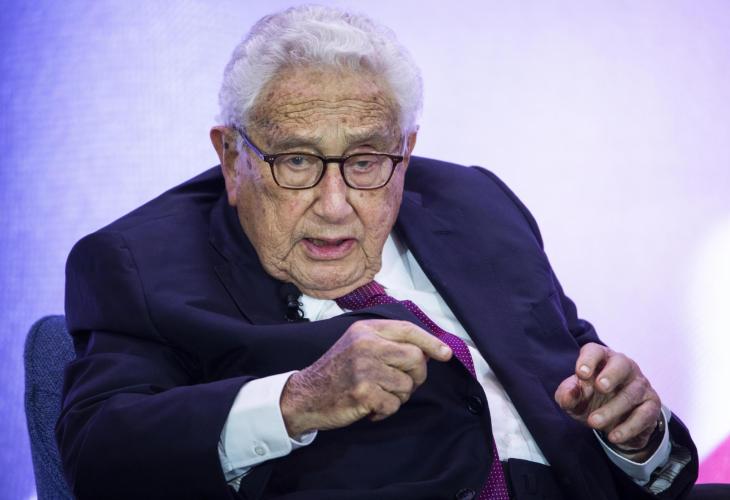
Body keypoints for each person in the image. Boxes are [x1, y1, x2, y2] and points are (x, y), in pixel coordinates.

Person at [58, 5, 698, 499]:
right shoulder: (140, 262)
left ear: (406, 149)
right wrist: (297, 399)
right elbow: (99, 455)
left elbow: (590, 382)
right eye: (297, 161)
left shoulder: (478, 206)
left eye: (366, 160)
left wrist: (637, 437)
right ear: (231, 156)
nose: (335, 205)